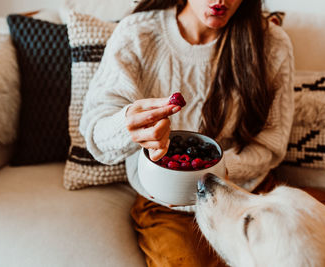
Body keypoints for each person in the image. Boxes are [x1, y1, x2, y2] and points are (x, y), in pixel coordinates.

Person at [80, 0, 295, 265]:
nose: (220, 0)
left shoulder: (272, 43)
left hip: (247, 193)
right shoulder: (137, 33)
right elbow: (97, 134)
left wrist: (217, 171)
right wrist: (129, 125)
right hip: (167, 204)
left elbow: (271, 142)